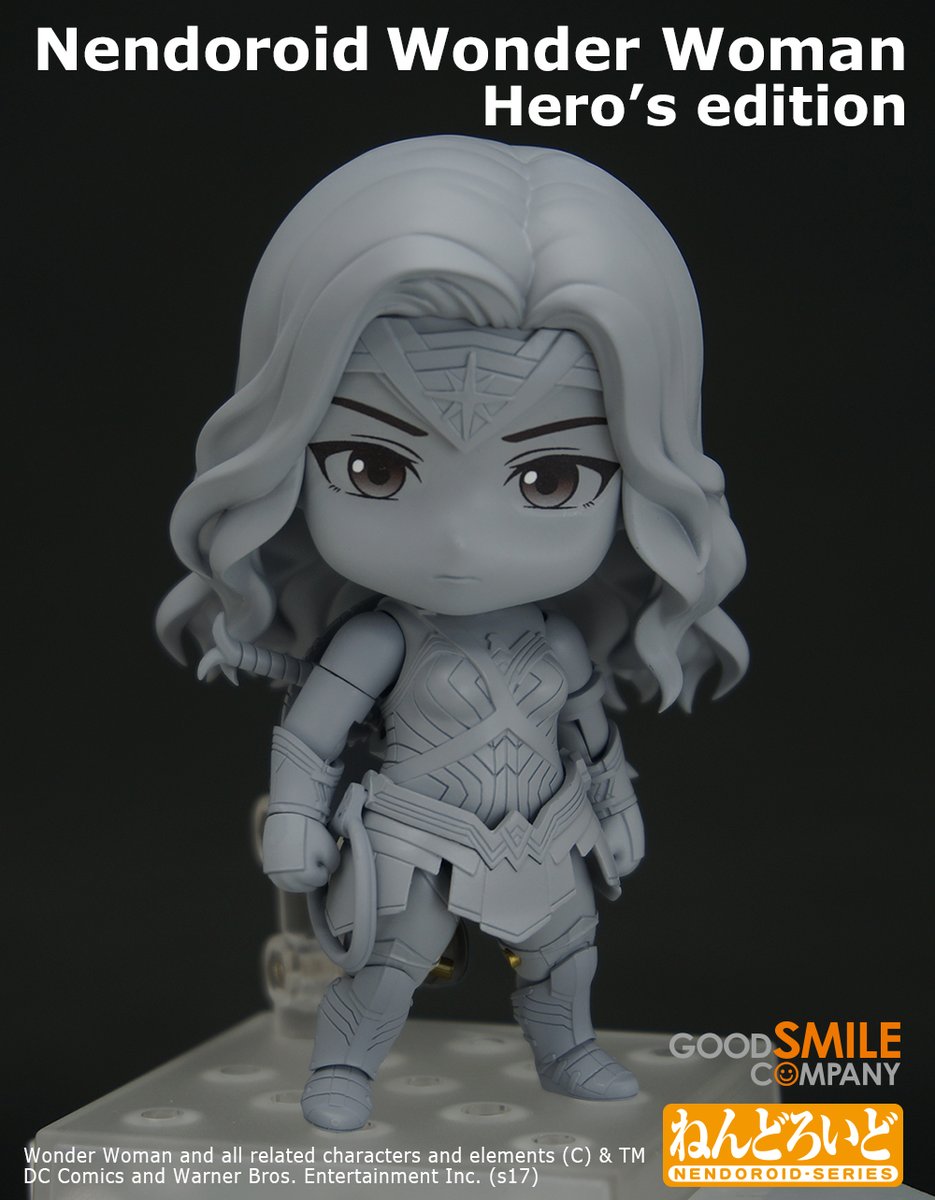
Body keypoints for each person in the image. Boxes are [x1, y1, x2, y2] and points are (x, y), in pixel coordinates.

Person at [157, 136, 747, 1130]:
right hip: (419, 833)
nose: (461, 539)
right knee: (392, 959)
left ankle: (566, 1050)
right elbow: (310, 736)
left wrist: (615, 803)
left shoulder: (558, 640)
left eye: (549, 479)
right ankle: (344, 1069)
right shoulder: (382, 640)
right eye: (376, 469)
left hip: (545, 826)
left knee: (567, 950)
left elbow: (588, 731)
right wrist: (296, 817)